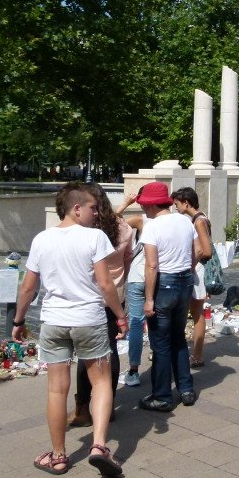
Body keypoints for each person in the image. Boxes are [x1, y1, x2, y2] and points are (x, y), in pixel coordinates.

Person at [11, 182, 127, 478]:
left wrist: (19, 321)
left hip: (54, 322)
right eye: (92, 208)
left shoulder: (41, 239)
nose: (95, 213)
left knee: (56, 389)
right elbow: (105, 284)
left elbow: (28, 287)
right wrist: (120, 316)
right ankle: (99, 446)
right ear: (76, 208)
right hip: (89, 319)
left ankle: (59, 456)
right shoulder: (94, 237)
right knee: (101, 383)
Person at [68, 183, 133, 427]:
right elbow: (127, 261)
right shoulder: (123, 229)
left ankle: (82, 408)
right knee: (111, 351)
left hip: (87, 295)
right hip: (115, 295)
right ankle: (109, 405)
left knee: (86, 354)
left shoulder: (85, 230)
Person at [138, 181, 197, 411]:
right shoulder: (184, 221)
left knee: (161, 343)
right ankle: (186, 388)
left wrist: (149, 299)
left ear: (152, 205)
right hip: (184, 281)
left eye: (144, 205)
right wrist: (187, 272)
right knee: (179, 337)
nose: (143, 209)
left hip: (164, 283)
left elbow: (151, 266)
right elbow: (195, 253)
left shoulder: (153, 226)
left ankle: (162, 396)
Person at [172, 187, 214, 369]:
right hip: (196, 270)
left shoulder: (198, 221)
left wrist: (188, 264)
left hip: (196, 271)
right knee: (195, 313)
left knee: (196, 314)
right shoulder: (200, 217)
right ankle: (195, 353)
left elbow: (205, 250)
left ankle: (197, 355)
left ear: (186, 203)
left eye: (176, 204)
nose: (175, 208)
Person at [117, 188, 148, 388]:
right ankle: (161, 360)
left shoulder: (141, 220)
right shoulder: (173, 221)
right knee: (159, 321)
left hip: (138, 277)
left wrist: (126, 203)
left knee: (136, 323)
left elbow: (110, 223)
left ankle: (134, 370)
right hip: (161, 278)